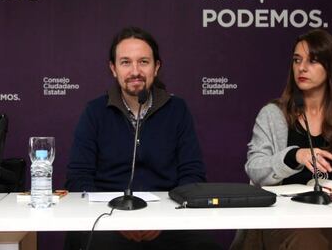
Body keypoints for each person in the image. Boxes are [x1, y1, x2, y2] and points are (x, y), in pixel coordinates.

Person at [65, 26, 221, 250]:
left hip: (166, 219)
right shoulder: (95, 112)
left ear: (156, 67)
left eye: (144, 62)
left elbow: (192, 175)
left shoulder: (177, 109)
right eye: (126, 62)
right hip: (108, 218)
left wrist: (163, 218)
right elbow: (78, 179)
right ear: (113, 68)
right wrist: (115, 218)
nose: (135, 71)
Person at [243, 29, 332, 249]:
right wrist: (295, 156)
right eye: (296, 60)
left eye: (312, 61)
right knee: (308, 242)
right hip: (284, 220)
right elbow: (254, 168)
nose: (301, 68)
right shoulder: (273, 114)